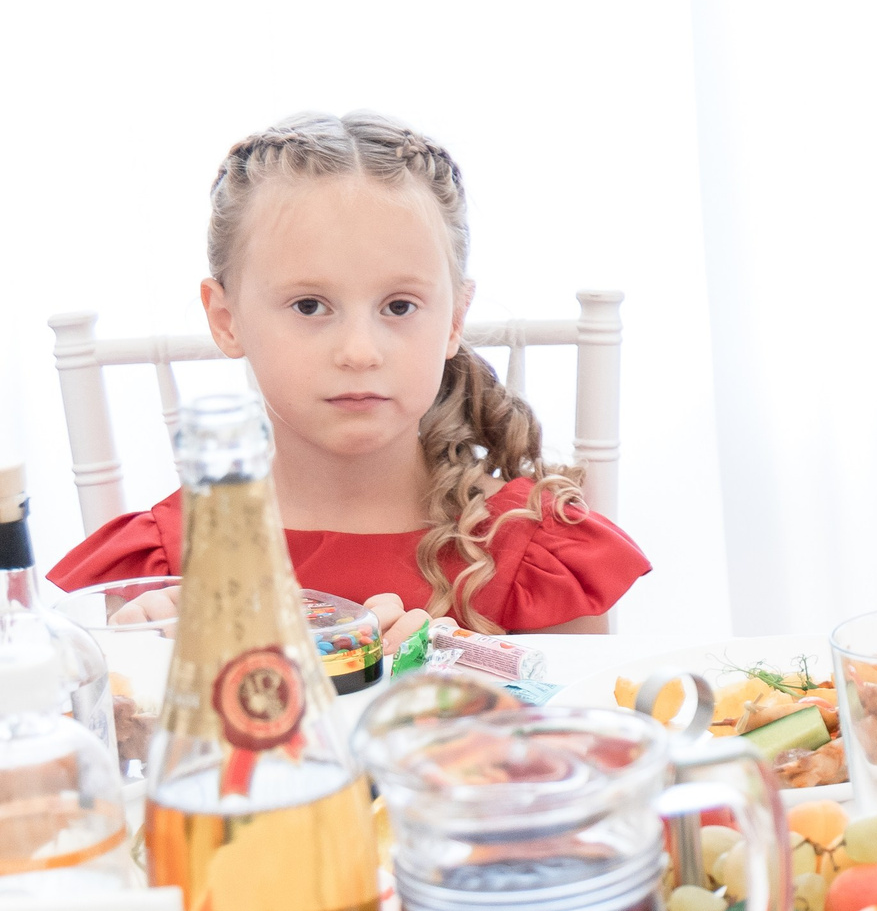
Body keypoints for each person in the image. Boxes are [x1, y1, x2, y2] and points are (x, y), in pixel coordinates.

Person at [49, 112, 648, 632]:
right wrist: (142, 671)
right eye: (310, 306)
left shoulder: (538, 553)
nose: (360, 351)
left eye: (399, 307)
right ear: (227, 320)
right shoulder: (158, 569)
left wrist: (464, 677)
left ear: (454, 320)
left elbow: (580, 742)